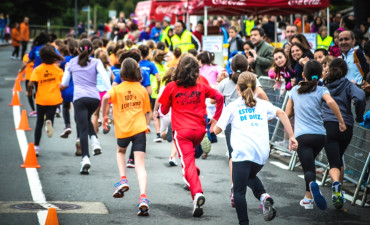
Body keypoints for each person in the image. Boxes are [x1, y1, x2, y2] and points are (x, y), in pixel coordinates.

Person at [214, 72, 297, 225]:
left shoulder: (233, 106)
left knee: (238, 192)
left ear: (237, 88)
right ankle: (263, 196)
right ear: (256, 88)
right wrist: (292, 136)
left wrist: (213, 127)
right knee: (249, 176)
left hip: (242, 152)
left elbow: (217, 130)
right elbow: (282, 113)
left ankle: (244, 222)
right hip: (261, 153)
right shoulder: (263, 104)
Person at [158, 55, 224, 217]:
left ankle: (197, 194)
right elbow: (220, 97)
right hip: (200, 132)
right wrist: (215, 119)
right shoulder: (202, 87)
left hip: (182, 133)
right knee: (190, 163)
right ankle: (194, 173)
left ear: (179, 68)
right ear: (196, 70)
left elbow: (164, 111)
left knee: (187, 164)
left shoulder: (172, 87)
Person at [285, 60, 346, 210]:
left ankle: (313, 186)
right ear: (320, 75)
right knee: (310, 162)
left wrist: (291, 133)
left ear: (303, 75)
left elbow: (287, 114)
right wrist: (341, 121)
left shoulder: (294, 91)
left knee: (308, 170)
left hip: (302, 136)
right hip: (320, 136)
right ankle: (308, 199)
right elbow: (331, 102)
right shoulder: (322, 90)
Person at [215, 54, 269, 208]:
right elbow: (262, 94)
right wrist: (267, 107)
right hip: (250, 120)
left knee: (234, 156)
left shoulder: (225, 82)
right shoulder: (252, 78)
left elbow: (213, 99)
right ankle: (258, 191)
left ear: (230, 68)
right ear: (247, 67)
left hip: (232, 122)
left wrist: (219, 81)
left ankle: (234, 186)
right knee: (250, 157)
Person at [101, 58, 151, 216]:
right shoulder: (142, 89)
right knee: (140, 166)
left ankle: (123, 179)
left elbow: (104, 98)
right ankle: (143, 197)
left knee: (121, 151)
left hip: (123, 130)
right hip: (139, 129)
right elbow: (147, 111)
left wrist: (104, 116)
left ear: (122, 72)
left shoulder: (117, 89)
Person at [61, 39, 111, 174]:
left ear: (78, 50)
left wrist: (66, 70)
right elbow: (105, 77)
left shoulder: (72, 63)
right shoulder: (96, 62)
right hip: (94, 99)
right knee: (85, 120)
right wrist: (111, 91)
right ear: (92, 51)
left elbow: (64, 82)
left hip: (79, 99)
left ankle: (85, 159)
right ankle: (95, 142)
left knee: (82, 127)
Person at [322, 58, 366, 209]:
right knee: (338, 158)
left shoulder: (324, 85)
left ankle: (335, 185)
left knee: (334, 162)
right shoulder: (348, 85)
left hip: (328, 124)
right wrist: (359, 116)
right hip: (346, 125)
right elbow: (360, 97)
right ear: (346, 71)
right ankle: (338, 194)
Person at [27, 44, 64, 156]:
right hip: (53, 99)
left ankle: (36, 147)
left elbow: (30, 83)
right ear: (53, 56)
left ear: (41, 57)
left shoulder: (38, 69)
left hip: (41, 99)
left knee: (39, 122)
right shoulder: (58, 70)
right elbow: (62, 85)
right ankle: (49, 121)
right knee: (50, 116)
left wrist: (29, 92)